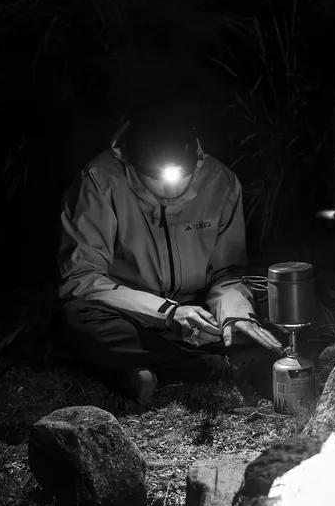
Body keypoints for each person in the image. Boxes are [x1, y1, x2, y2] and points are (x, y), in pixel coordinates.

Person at [55, 103, 284, 402]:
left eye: (179, 175)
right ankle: (207, 364)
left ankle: (140, 367)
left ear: (195, 160)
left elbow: (228, 273)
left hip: (198, 312)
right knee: (76, 320)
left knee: (268, 300)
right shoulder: (100, 181)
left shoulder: (220, 182)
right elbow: (83, 279)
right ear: (133, 163)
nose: (168, 188)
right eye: (155, 177)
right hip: (131, 313)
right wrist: (167, 313)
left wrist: (235, 316)